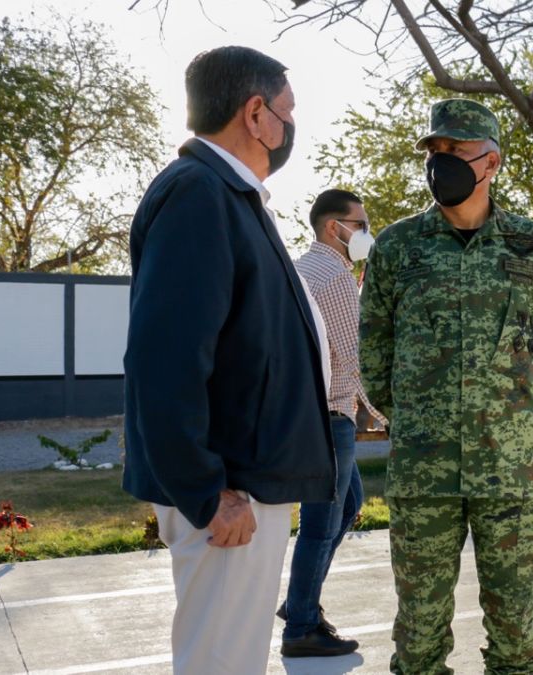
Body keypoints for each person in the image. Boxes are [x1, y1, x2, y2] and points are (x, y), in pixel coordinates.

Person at [122, 46, 337, 674]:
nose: (291, 125)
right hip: (228, 497)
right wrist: (206, 491)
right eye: (288, 111)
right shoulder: (199, 194)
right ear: (256, 113)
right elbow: (166, 360)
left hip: (244, 486)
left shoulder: (230, 196)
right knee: (220, 663)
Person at [359, 98, 533, 674]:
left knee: (516, 630)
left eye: (455, 149)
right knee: (419, 634)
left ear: (491, 162)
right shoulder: (397, 247)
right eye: (435, 149)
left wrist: (512, 414)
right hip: (423, 469)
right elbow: (373, 348)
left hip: (511, 467)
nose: (441, 160)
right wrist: (416, 416)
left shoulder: (532, 245)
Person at [277, 188, 384, 657]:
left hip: (310, 413)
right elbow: (357, 359)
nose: (365, 233)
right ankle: (301, 626)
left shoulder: (301, 268)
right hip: (330, 415)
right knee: (321, 524)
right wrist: (390, 417)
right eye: (360, 225)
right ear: (332, 227)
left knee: (349, 503)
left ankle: (298, 601)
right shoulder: (336, 276)